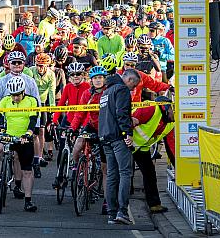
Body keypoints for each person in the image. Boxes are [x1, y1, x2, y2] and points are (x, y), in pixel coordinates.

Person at [0, 77, 39, 212]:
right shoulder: (5, 100)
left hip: (23, 137)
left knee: (27, 171)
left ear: (23, 92)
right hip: (9, 135)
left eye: (17, 95)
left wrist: (28, 133)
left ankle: (28, 200)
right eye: (13, 95)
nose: (15, 98)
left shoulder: (31, 101)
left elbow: (33, 120)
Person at [99, 69, 140, 225]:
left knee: (111, 175)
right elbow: (121, 113)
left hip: (105, 136)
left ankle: (112, 213)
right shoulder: (121, 89)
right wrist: (127, 133)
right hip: (117, 136)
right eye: (133, 85)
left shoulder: (106, 90)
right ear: (128, 79)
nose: (133, 89)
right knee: (125, 173)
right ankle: (122, 211)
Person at [69, 65, 109, 214]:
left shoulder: (108, 92)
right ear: (91, 80)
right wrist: (73, 128)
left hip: (106, 128)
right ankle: (77, 168)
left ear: (104, 79)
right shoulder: (87, 94)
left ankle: (107, 201)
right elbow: (80, 113)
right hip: (91, 126)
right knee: (78, 144)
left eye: (100, 78)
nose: (98, 80)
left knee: (106, 169)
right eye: (95, 78)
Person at [130, 97, 175, 214]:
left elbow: (171, 146)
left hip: (140, 148)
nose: (173, 112)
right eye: (172, 109)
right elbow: (129, 122)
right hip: (126, 145)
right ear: (165, 107)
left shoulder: (170, 123)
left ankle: (154, 205)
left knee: (150, 174)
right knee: (124, 175)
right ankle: (117, 206)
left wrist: (177, 165)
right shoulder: (151, 108)